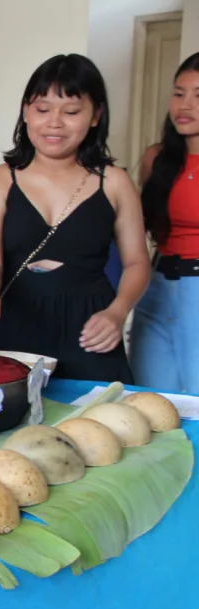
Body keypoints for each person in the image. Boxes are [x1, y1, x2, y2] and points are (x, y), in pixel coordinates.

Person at [0, 54, 150, 382]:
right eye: (43, 109)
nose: (54, 123)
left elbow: (137, 263)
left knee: (101, 424)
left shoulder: (115, 182)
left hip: (92, 331)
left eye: (72, 111)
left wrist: (117, 313)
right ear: (25, 112)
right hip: (15, 324)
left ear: (96, 116)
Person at [130, 52, 199, 393]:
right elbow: (135, 227)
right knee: (149, 400)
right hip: (156, 286)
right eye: (179, 92)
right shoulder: (156, 158)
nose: (185, 105)